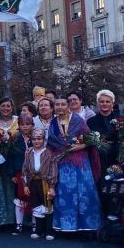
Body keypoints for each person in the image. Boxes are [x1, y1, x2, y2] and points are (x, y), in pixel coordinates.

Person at [47, 95, 101, 232]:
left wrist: (80, 147)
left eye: (62, 104)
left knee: (84, 193)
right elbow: (51, 143)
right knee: (65, 194)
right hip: (62, 163)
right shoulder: (53, 123)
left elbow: (90, 140)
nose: (60, 107)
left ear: (68, 105)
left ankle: (88, 226)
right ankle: (67, 226)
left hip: (80, 162)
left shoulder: (78, 120)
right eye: (57, 104)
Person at [22, 128, 58, 241]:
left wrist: (52, 186)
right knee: (37, 205)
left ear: (43, 140)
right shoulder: (28, 152)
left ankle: (49, 230)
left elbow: (53, 170)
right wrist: (25, 185)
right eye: (34, 139)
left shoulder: (49, 153)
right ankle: (38, 230)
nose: (36, 141)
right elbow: (25, 169)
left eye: (39, 139)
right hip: (33, 182)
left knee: (48, 206)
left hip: (45, 182)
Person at [0, 97, 19, 225]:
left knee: (13, 187)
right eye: (3, 106)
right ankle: (0, 218)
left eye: (8, 106)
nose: (6, 108)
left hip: (14, 157)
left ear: (12, 108)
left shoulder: (18, 120)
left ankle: (14, 219)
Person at [8, 113, 34, 235]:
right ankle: (19, 224)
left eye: (28, 124)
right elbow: (10, 157)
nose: (25, 127)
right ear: (18, 126)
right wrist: (11, 173)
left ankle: (35, 224)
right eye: (22, 124)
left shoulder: (37, 138)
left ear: (32, 125)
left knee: (34, 197)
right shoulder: (15, 139)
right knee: (20, 197)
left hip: (35, 173)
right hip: (19, 171)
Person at [87, 89, 120, 173]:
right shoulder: (90, 121)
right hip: (99, 157)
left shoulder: (120, 119)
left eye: (107, 101)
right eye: (101, 101)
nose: (104, 104)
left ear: (112, 103)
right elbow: (89, 141)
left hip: (118, 155)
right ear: (97, 103)